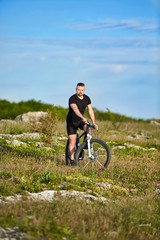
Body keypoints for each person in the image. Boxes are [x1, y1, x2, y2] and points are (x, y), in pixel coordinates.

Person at [66, 82, 98, 166]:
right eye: (79, 90)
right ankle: (72, 161)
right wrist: (83, 117)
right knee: (72, 140)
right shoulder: (72, 98)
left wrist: (94, 122)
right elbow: (75, 109)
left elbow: (90, 110)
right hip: (71, 121)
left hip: (80, 120)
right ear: (76, 89)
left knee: (89, 129)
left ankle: (84, 145)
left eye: (82, 90)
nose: (80, 91)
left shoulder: (87, 98)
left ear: (84, 90)